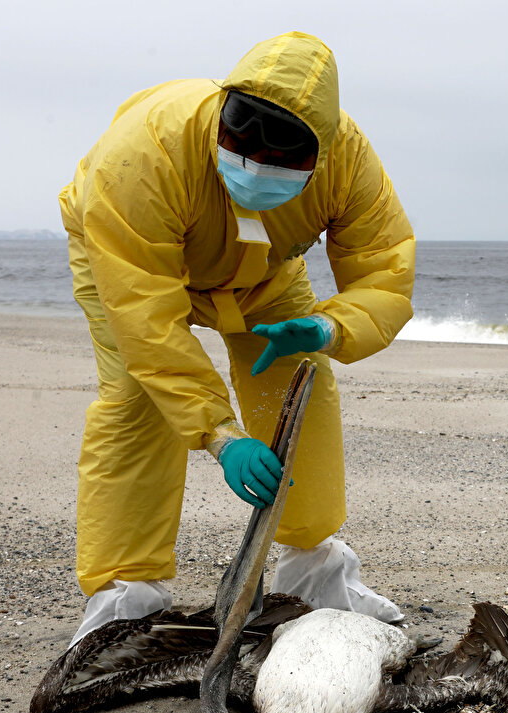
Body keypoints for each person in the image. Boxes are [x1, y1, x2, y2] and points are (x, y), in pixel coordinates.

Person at [58, 32, 415, 647]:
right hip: (125, 258)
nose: (252, 162)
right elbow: (148, 320)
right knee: (139, 400)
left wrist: (329, 326)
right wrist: (220, 434)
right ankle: (124, 595)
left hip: (265, 273)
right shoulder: (145, 154)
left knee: (298, 383)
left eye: (278, 154)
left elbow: (385, 268)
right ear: (223, 109)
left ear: (320, 151)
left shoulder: (348, 161)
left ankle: (314, 570)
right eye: (241, 138)